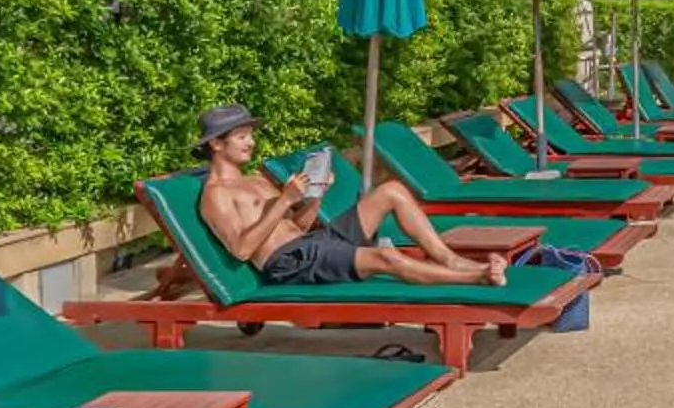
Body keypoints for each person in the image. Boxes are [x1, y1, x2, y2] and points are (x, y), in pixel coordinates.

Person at [195, 105, 510, 287]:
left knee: (392, 191)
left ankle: (450, 258)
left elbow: (298, 227)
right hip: (288, 263)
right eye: (241, 137)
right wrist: (285, 201)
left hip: (310, 245)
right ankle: (477, 276)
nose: (250, 142)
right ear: (217, 145)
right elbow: (241, 249)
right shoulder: (216, 195)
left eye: (250, 135)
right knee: (385, 257)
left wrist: (316, 197)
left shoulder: (256, 181)